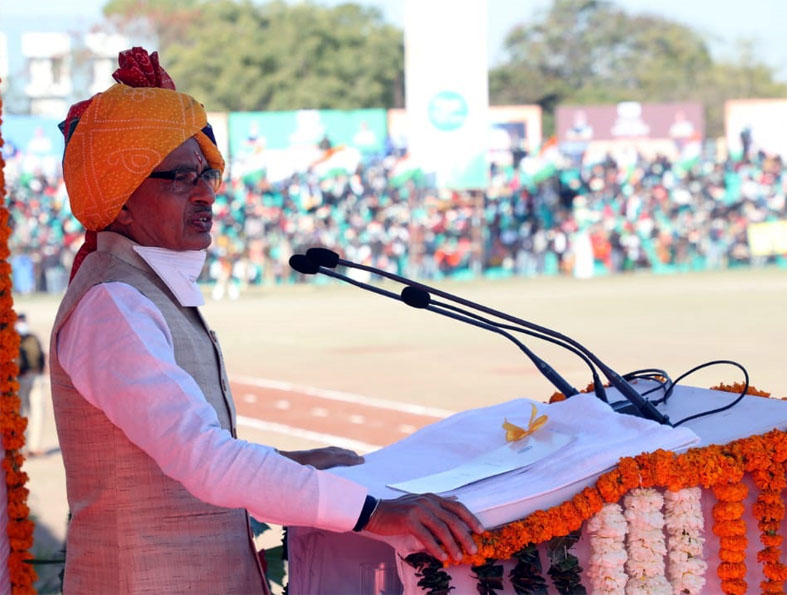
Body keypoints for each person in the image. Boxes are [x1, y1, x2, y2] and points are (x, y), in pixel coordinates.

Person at [51, 47, 482, 593]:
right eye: (180, 177)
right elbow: (204, 459)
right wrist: (376, 512)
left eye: (207, 173)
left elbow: (177, 452)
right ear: (122, 200)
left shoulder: (143, 289)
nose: (205, 192)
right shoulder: (114, 304)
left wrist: (292, 462)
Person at [16, 313, 45, 456]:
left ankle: (34, 446)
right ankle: (22, 446)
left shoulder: (32, 337)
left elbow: (41, 357)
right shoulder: (12, 339)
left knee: (37, 413)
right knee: (21, 413)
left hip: (34, 377)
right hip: (21, 379)